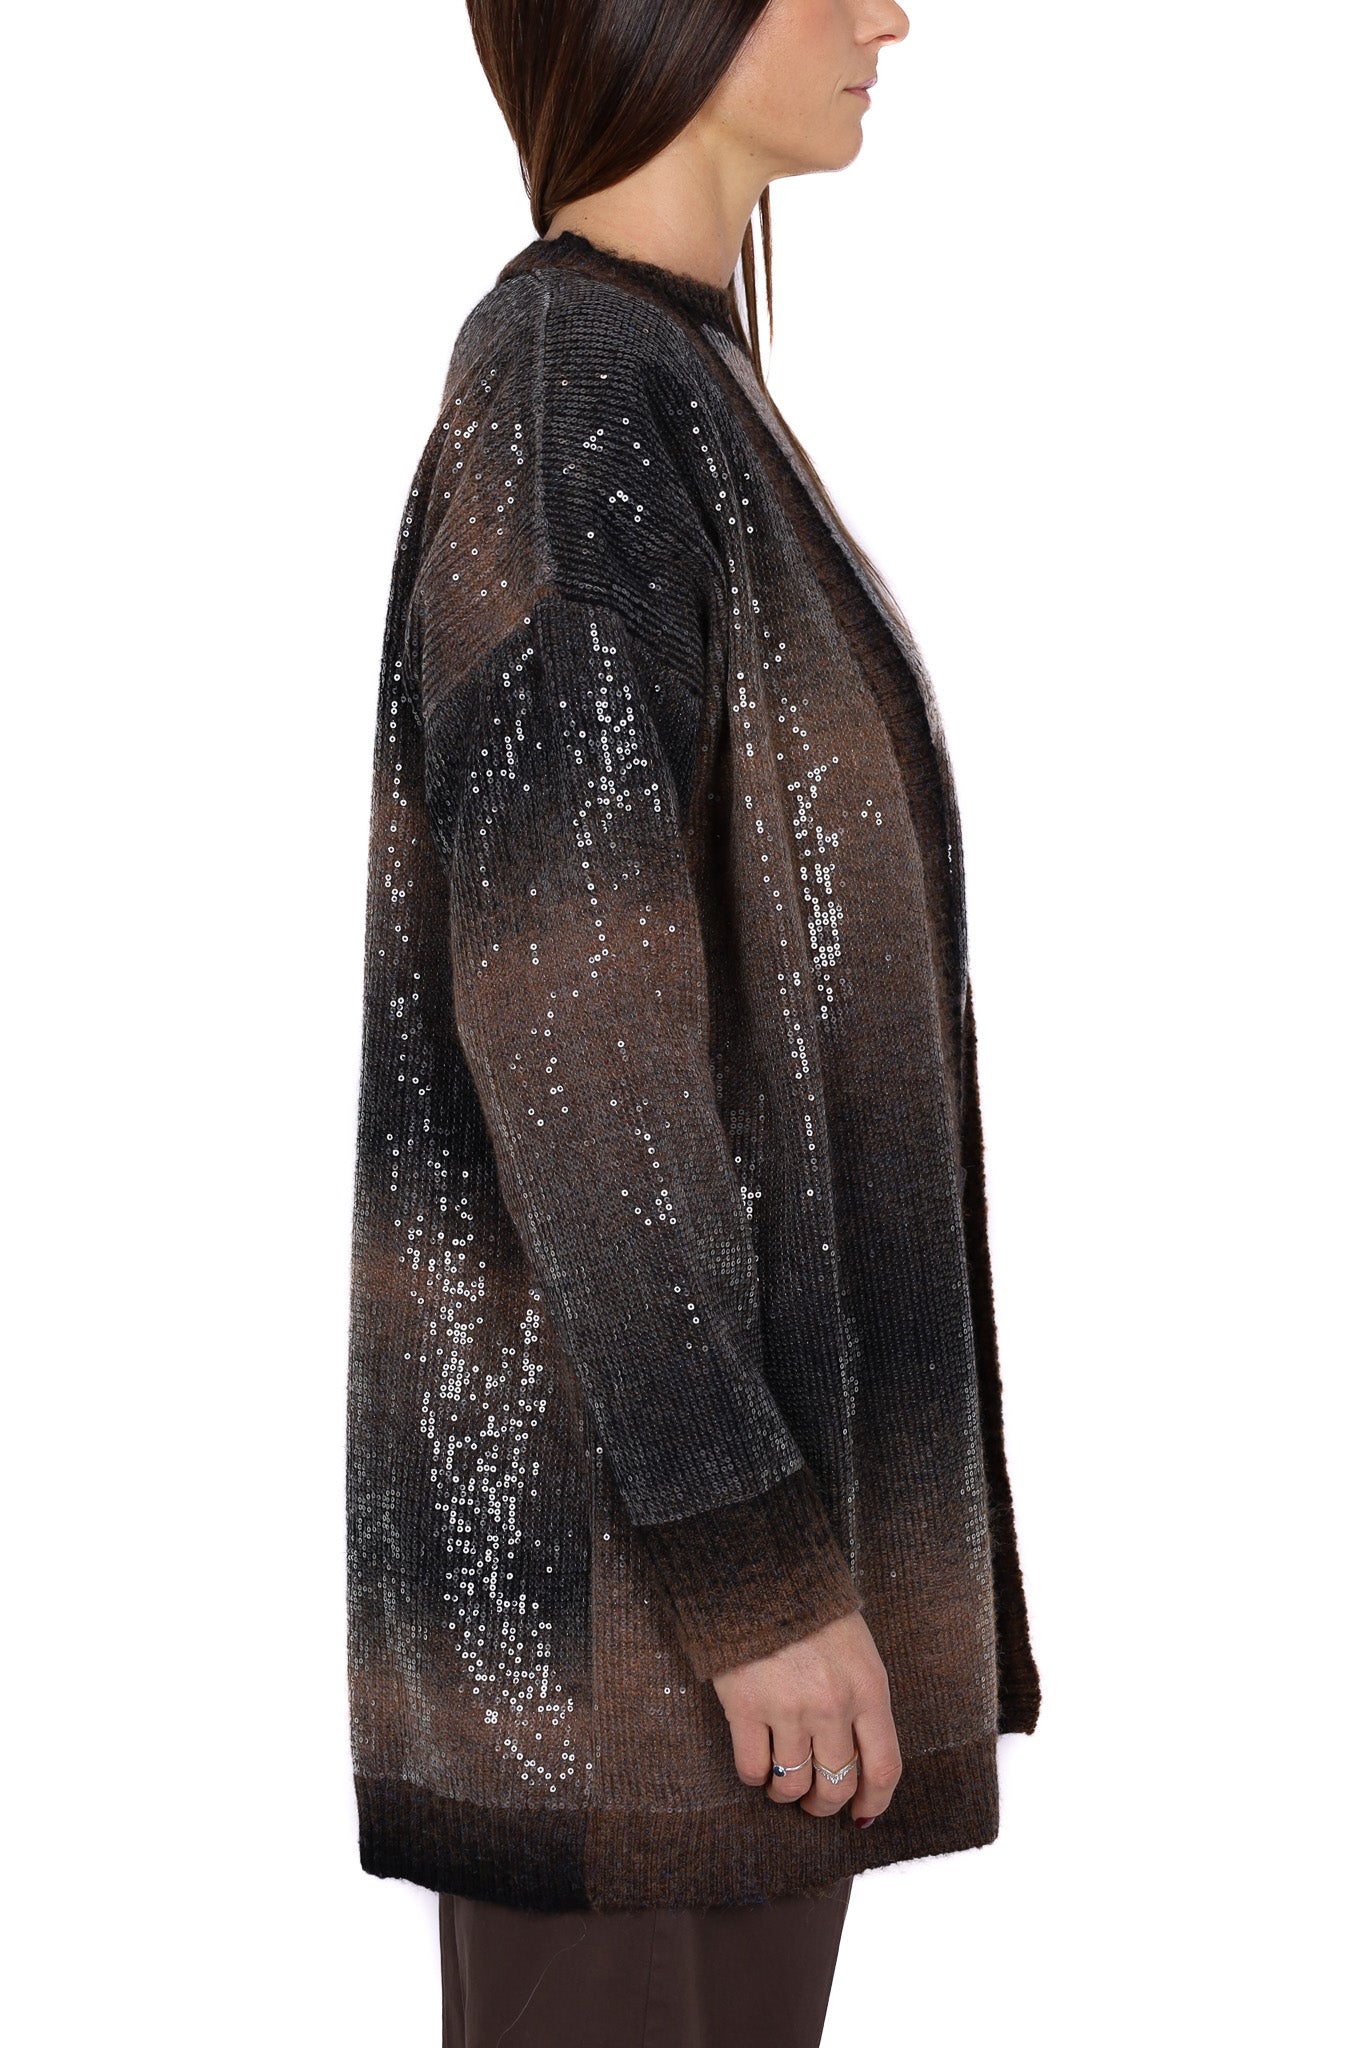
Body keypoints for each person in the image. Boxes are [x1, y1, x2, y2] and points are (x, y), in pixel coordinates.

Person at [344, 3, 1042, 2041]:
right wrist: (751, 1568)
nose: (887, 13)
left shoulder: (669, 381)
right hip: (625, 1617)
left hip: (692, 1614)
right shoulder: (572, 397)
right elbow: (575, 1045)